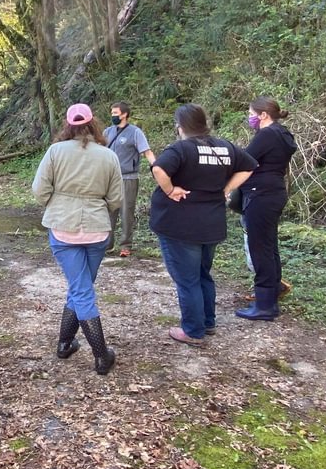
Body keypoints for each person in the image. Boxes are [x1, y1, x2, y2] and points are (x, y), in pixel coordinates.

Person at [150, 103, 255, 345]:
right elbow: (249, 166)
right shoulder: (225, 146)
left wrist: (170, 190)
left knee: (187, 280)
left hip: (180, 225)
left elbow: (159, 169)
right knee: (202, 274)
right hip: (211, 223)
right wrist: (227, 188)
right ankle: (207, 322)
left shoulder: (181, 148)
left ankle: (193, 331)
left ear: (180, 126)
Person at [32, 103, 124, 375]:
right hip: (96, 230)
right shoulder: (108, 156)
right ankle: (100, 355)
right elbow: (116, 199)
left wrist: (56, 204)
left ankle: (66, 344)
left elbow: (39, 189)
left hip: (63, 229)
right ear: (93, 123)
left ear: (68, 124)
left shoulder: (55, 152)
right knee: (81, 287)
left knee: (80, 288)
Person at [234, 96, 298, 322]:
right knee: (269, 247)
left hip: (260, 195)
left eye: (251, 113)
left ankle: (264, 305)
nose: (249, 117)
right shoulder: (283, 133)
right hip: (274, 192)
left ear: (263, 115)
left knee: (260, 249)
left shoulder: (267, 134)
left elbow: (245, 160)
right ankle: (272, 293)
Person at [103, 101, 156, 258]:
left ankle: (126, 245)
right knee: (108, 212)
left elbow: (147, 152)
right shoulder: (107, 132)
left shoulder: (135, 132)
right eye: (112, 113)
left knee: (127, 212)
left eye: (115, 113)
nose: (113, 116)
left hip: (128, 177)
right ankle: (107, 245)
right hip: (109, 178)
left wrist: (157, 168)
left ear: (124, 114)